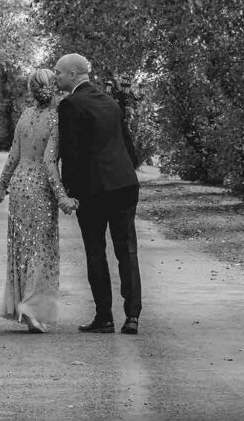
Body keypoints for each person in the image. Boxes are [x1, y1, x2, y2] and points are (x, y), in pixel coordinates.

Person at [53, 53, 142, 335]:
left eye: (58, 72)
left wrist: (69, 192)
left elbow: (72, 154)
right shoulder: (111, 102)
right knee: (127, 250)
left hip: (93, 190)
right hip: (124, 184)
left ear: (73, 74)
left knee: (96, 251)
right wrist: (126, 172)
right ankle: (132, 316)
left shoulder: (70, 105)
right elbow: (129, 146)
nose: (55, 77)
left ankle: (104, 317)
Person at [0, 69, 78, 333]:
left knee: (22, 249)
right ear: (54, 88)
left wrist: (0, 188)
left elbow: (13, 155)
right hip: (40, 189)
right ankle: (32, 308)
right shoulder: (56, 118)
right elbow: (49, 163)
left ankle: (24, 305)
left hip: (19, 186)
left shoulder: (25, 115)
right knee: (41, 249)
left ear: (32, 90)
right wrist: (62, 196)